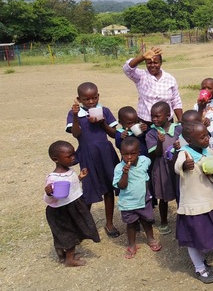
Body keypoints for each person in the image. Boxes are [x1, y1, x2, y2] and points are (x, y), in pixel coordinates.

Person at [66, 82, 120, 238]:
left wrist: (102, 122)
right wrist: (76, 116)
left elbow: (113, 133)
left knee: (109, 188)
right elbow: (76, 134)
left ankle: (109, 223)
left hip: (105, 152)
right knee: (88, 188)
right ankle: (84, 225)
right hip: (87, 153)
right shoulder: (74, 114)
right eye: (86, 99)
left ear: (98, 96)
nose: (91, 102)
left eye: (94, 98)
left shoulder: (104, 111)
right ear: (79, 99)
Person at [174, 121, 213, 284]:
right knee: (193, 238)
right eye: (201, 137)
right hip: (193, 205)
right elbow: (177, 166)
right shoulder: (184, 153)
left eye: (206, 135)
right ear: (189, 139)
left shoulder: (207, 150)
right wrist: (185, 166)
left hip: (207, 201)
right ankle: (199, 269)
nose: (206, 139)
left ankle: (202, 262)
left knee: (203, 235)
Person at [43, 141, 100, 266]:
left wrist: (79, 177)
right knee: (69, 233)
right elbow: (49, 198)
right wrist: (49, 192)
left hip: (74, 206)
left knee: (69, 231)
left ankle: (62, 254)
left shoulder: (70, 171)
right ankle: (70, 259)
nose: (73, 157)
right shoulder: (53, 178)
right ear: (56, 159)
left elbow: (70, 185)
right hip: (62, 210)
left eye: (73, 154)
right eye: (69, 156)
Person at [113, 137, 161, 259]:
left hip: (144, 199)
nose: (129, 157)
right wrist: (125, 173)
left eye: (133, 154)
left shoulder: (145, 161)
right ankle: (132, 244)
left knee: (147, 220)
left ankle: (150, 239)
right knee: (131, 224)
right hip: (128, 202)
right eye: (125, 154)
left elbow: (147, 172)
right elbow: (121, 186)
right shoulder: (119, 168)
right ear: (121, 153)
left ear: (139, 152)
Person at [145, 101, 182, 235]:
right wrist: (160, 143)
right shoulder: (151, 133)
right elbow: (156, 154)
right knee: (163, 196)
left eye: (158, 116)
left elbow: (186, 143)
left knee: (180, 192)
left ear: (167, 115)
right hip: (161, 168)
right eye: (152, 116)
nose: (154, 119)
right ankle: (164, 221)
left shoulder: (178, 129)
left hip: (178, 166)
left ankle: (182, 218)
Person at [123, 46, 183, 124]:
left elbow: (176, 101)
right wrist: (142, 57)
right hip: (145, 122)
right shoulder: (141, 76)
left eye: (155, 62)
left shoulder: (170, 79)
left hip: (166, 122)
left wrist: (181, 121)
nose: (152, 65)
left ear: (161, 63)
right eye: (149, 63)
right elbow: (127, 69)